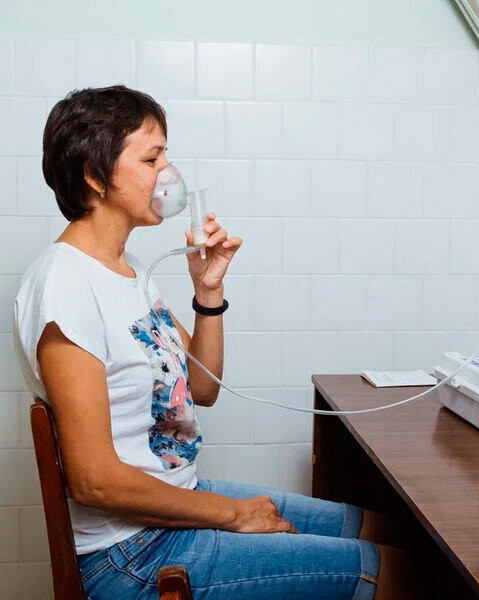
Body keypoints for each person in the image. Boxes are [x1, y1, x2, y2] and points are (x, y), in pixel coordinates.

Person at [12, 85, 426, 600]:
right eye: (151, 158)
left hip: (170, 505)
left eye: (166, 155)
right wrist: (234, 514)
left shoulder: (128, 271)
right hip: (130, 553)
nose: (169, 171)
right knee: (395, 570)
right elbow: (95, 481)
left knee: (383, 529)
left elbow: (203, 388)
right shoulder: (65, 286)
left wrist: (208, 291)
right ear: (95, 176)